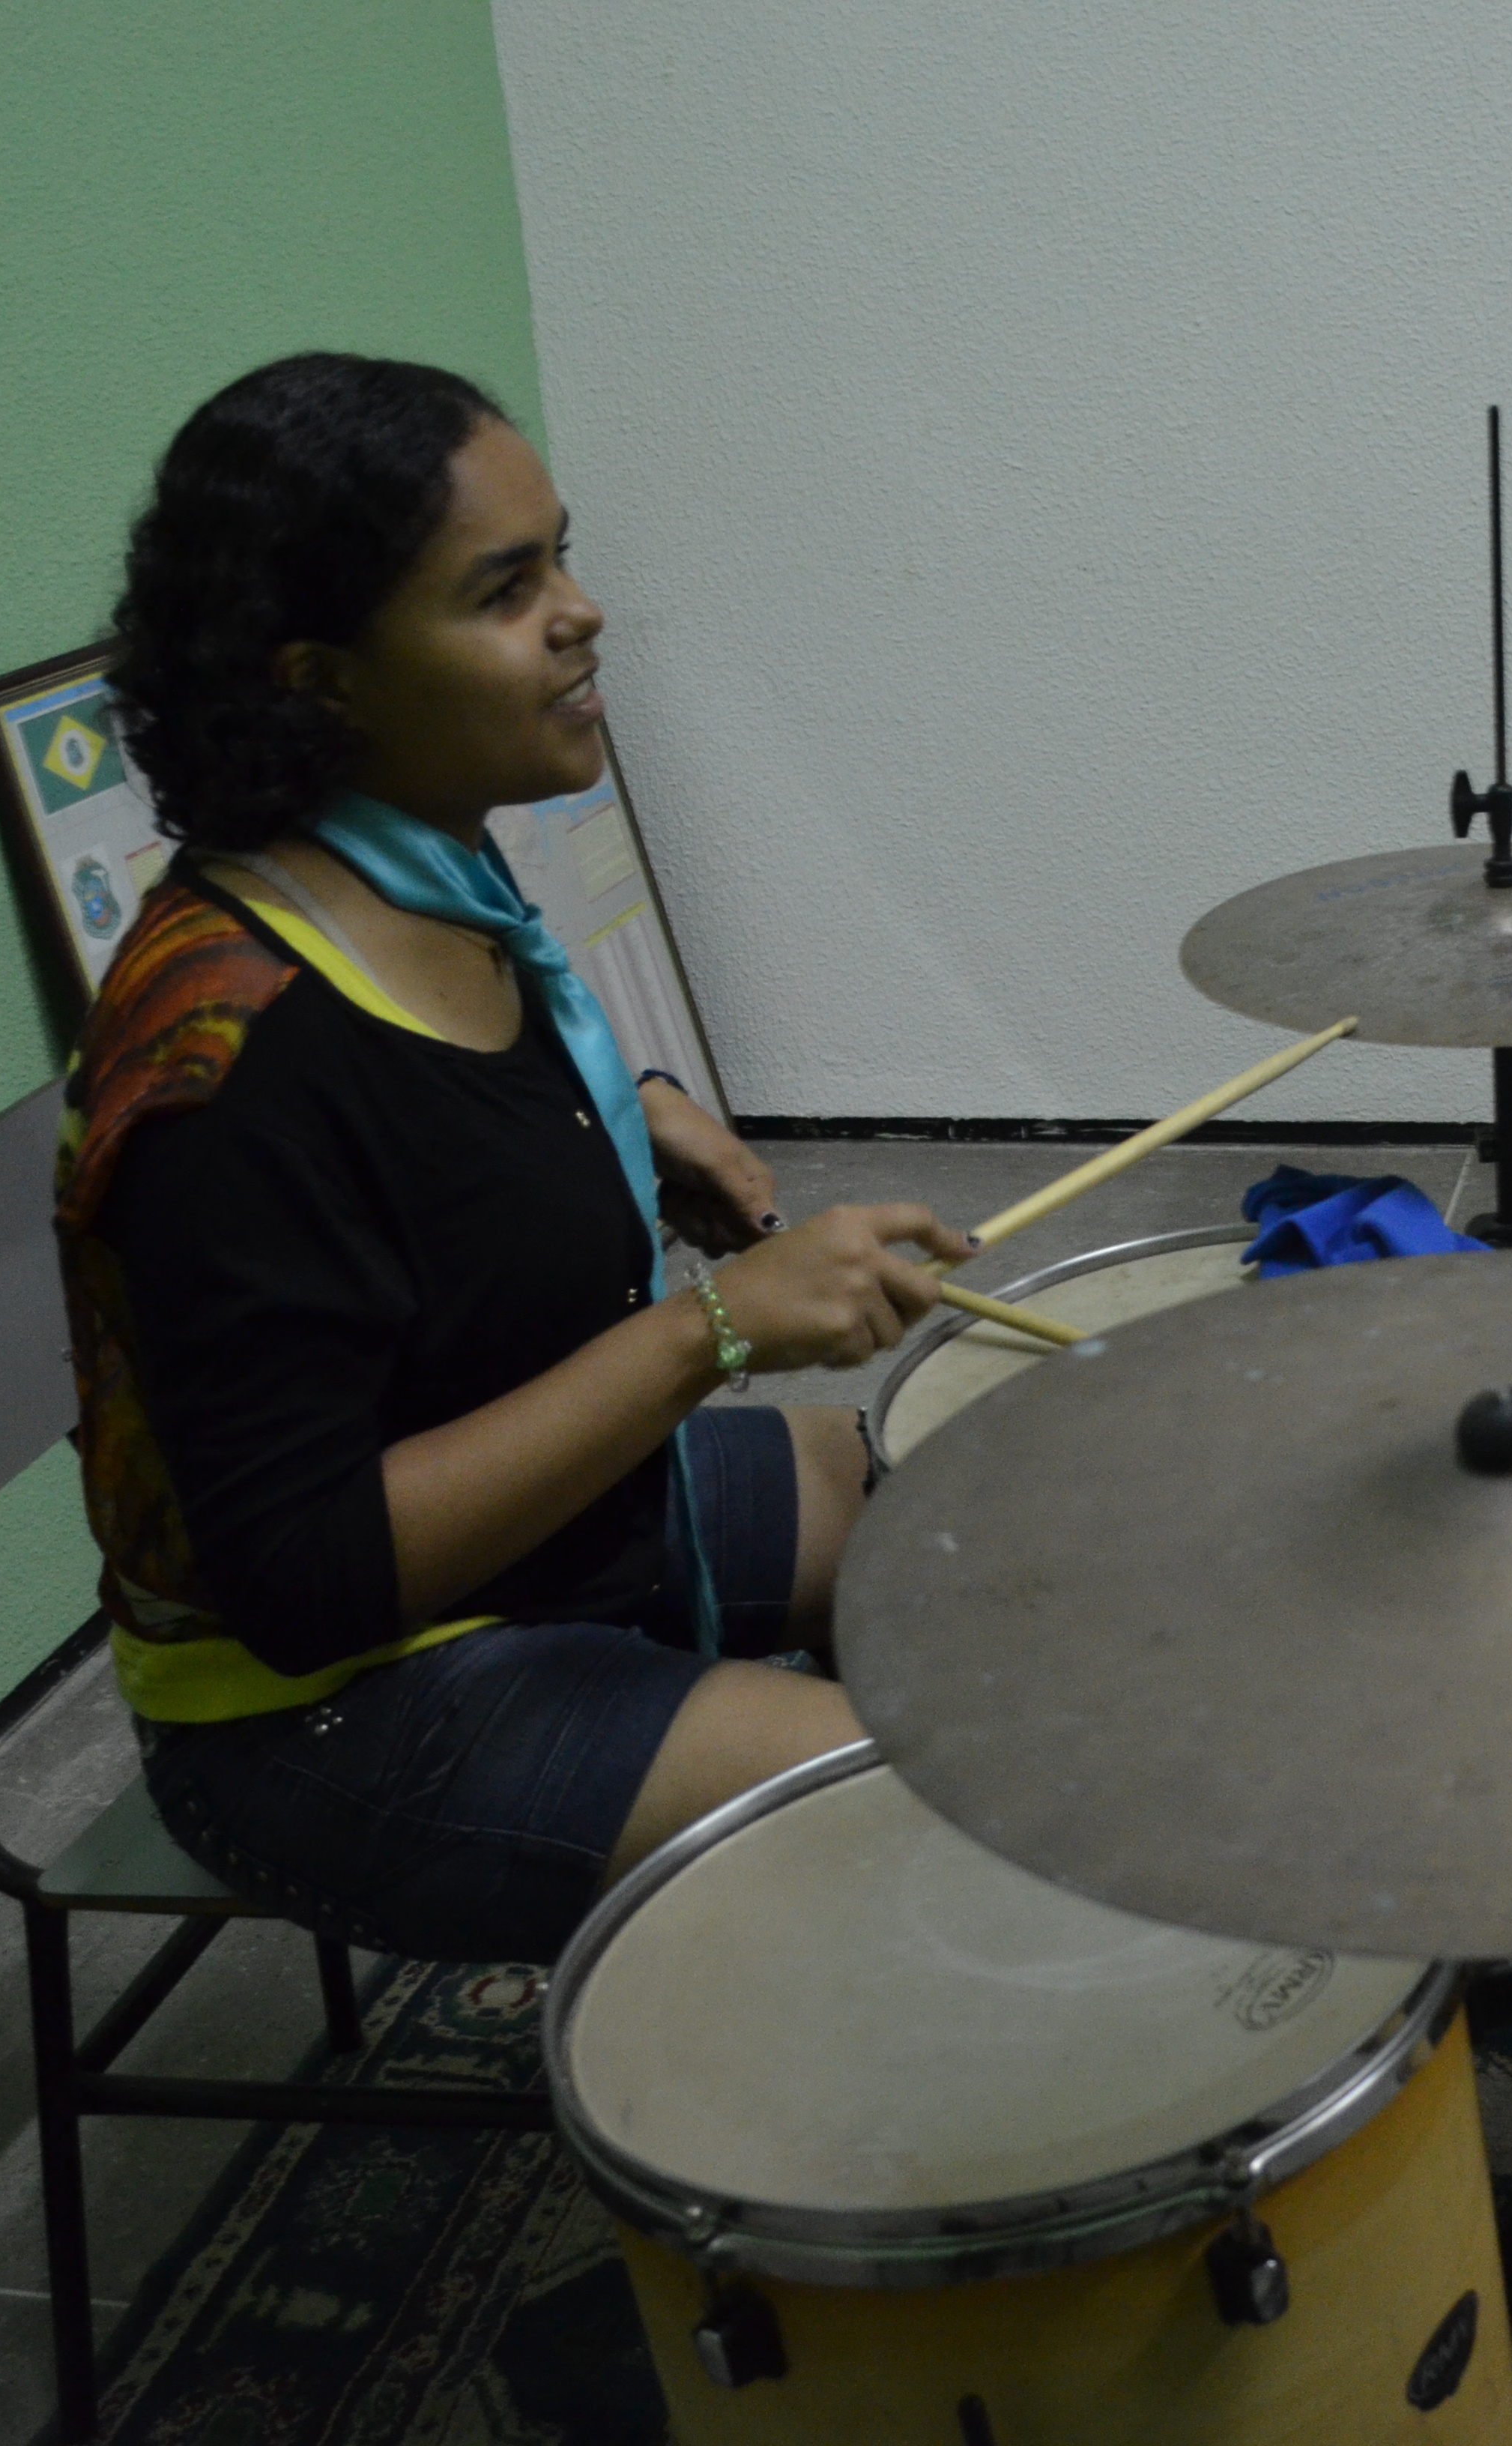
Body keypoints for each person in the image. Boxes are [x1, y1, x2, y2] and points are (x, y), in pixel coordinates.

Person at [57, 354, 979, 1964]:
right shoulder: (237, 1069)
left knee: (984, 1502)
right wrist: (715, 1329)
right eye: (505, 590)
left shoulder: (409, 873)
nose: (581, 613)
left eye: (563, 557)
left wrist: (629, 1111)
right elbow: (310, 1580)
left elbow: (435, 1135)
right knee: (940, 1802)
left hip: (544, 1538)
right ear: (322, 681)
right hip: (331, 1707)